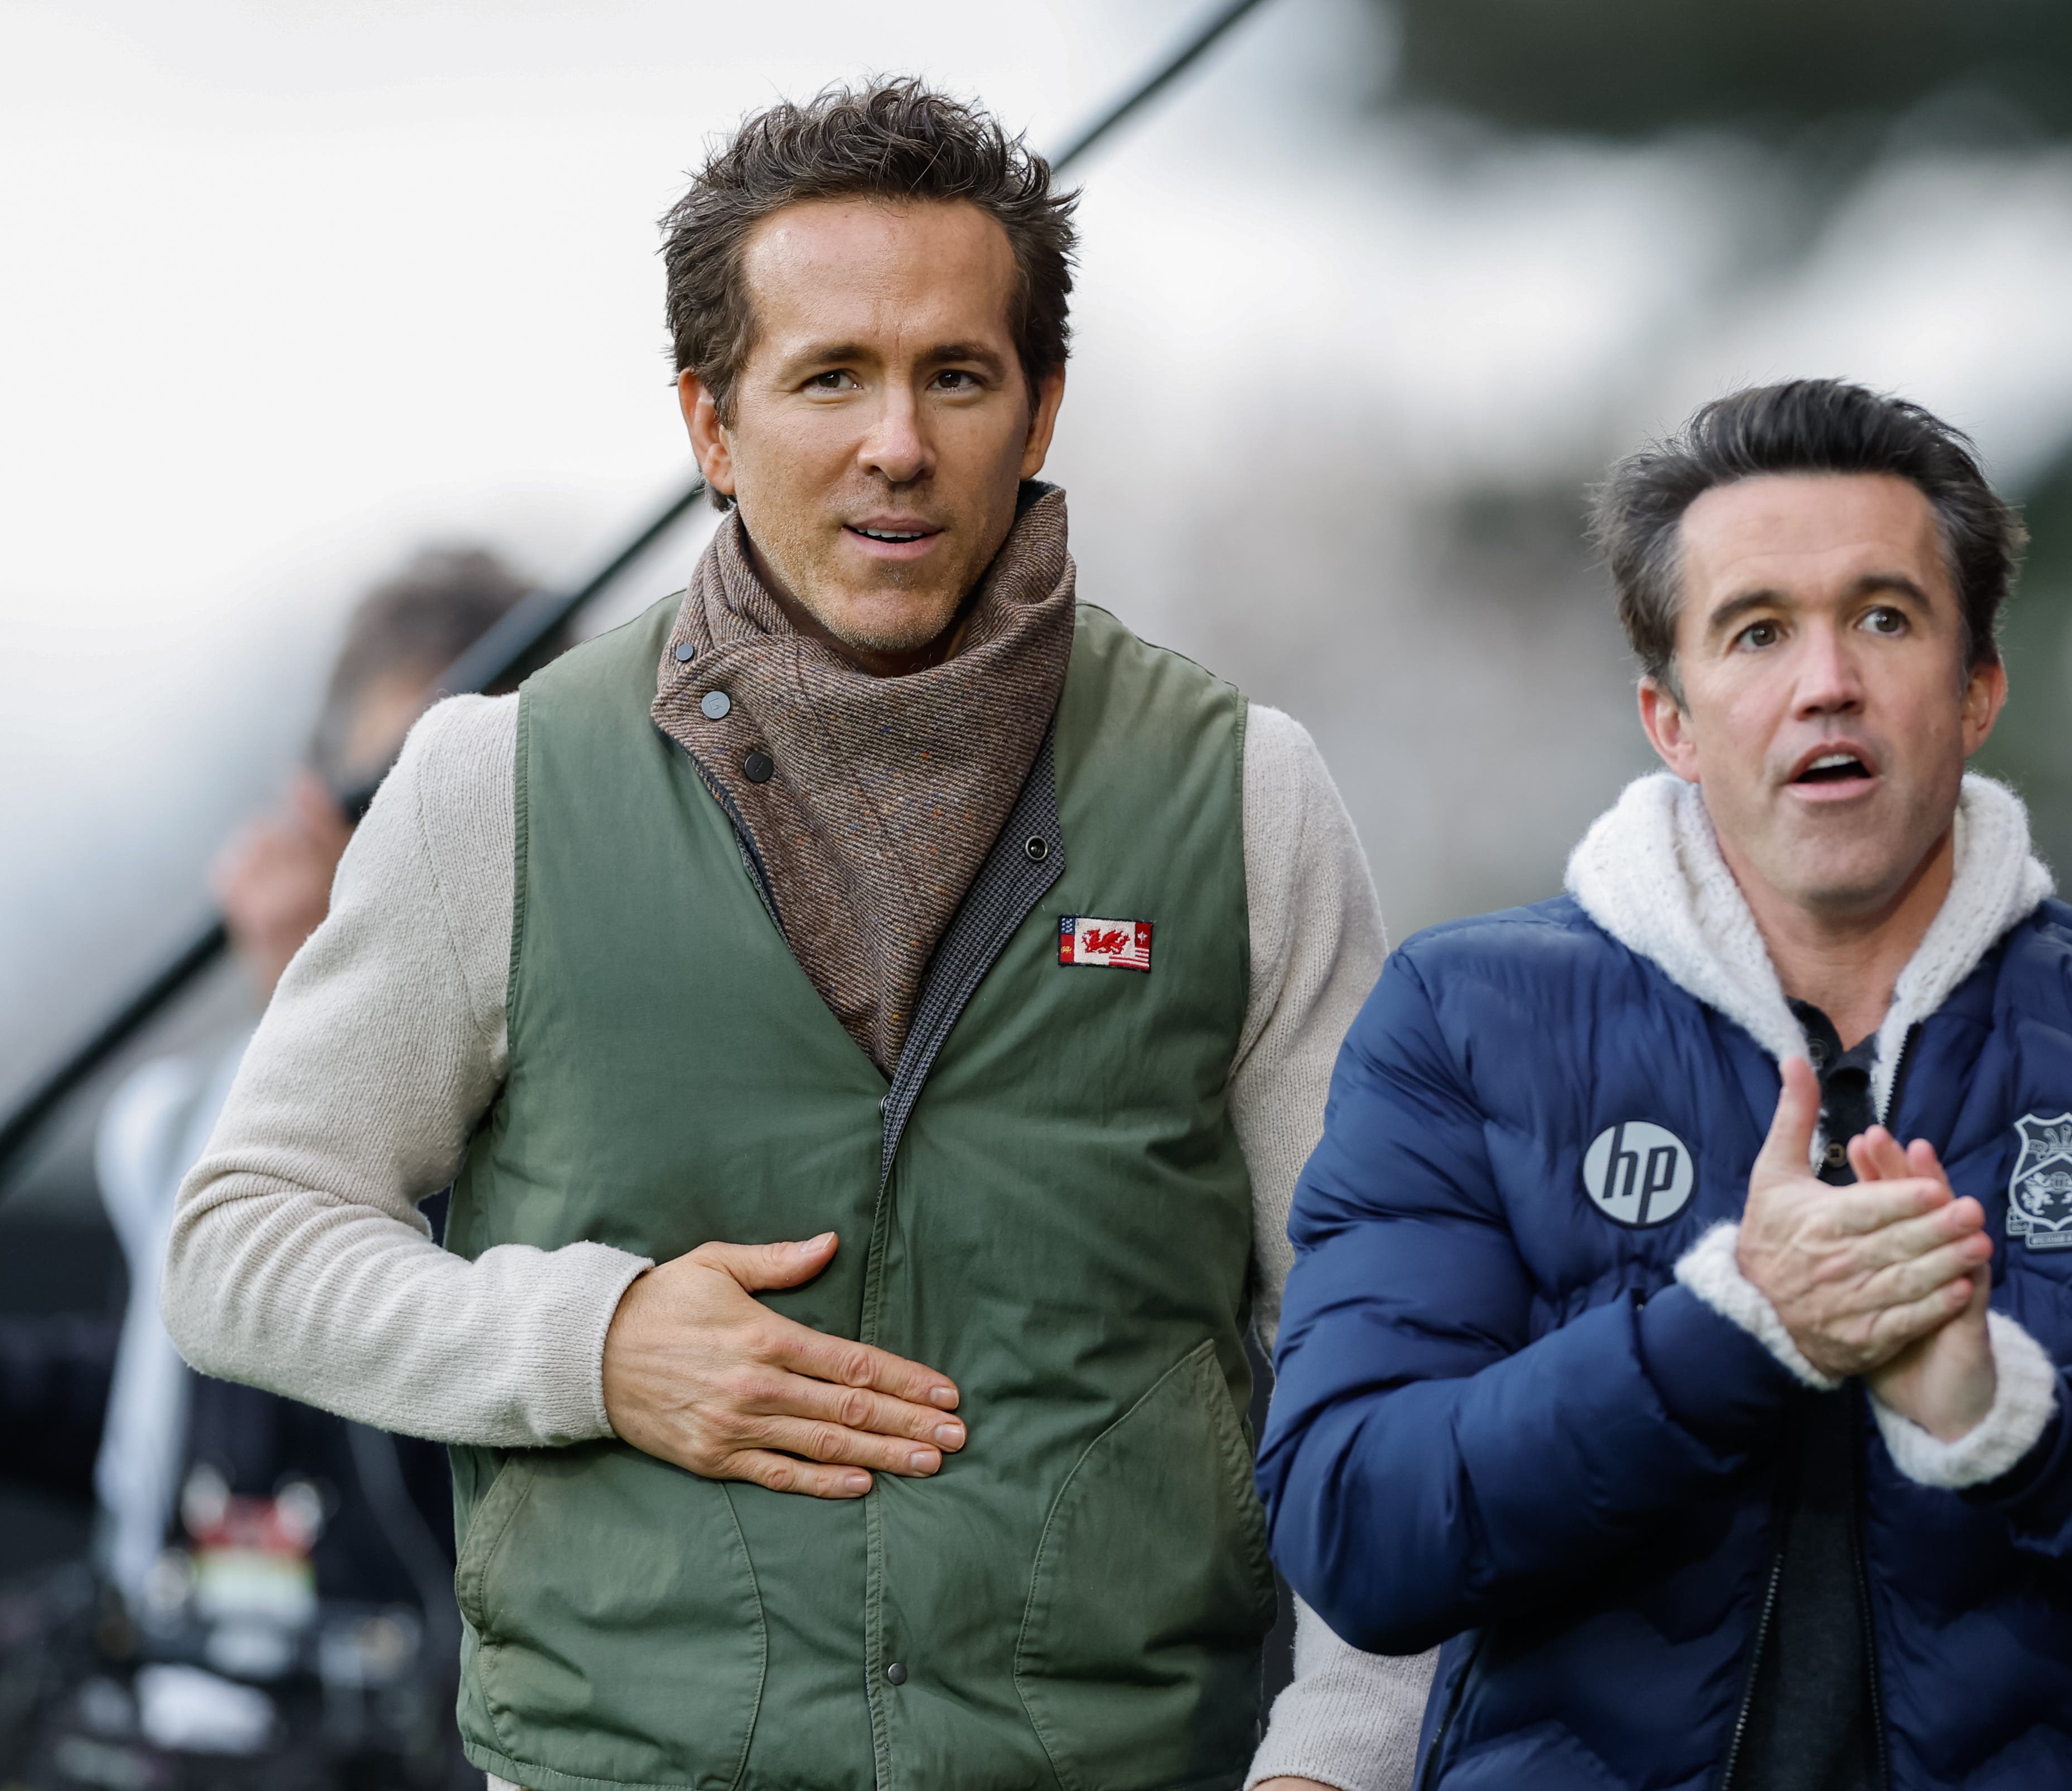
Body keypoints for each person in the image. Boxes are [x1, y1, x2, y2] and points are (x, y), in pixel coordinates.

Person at [165, 81, 1428, 1791]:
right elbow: (240, 1243)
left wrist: (1340, 1753)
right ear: (711, 419)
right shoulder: (498, 783)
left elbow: (1387, 1340)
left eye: (954, 375)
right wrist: (593, 1344)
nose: (895, 440)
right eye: (830, 375)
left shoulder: (1242, 797)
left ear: (1040, 406)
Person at [1256, 378, 2072, 1789]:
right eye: (1757, 630)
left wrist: (2020, 1427)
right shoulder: (1465, 1018)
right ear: (1671, 718)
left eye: (1884, 618)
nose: (1825, 680)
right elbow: (1355, 1525)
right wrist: (1728, 1327)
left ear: (1977, 691)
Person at [0, 546, 534, 1788]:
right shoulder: (179, 1119)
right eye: (385, 793)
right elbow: (169, 1419)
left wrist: (346, 1017)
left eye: (457, 803)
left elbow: (459, 1377)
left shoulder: (584, 1105)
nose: (409, 849)